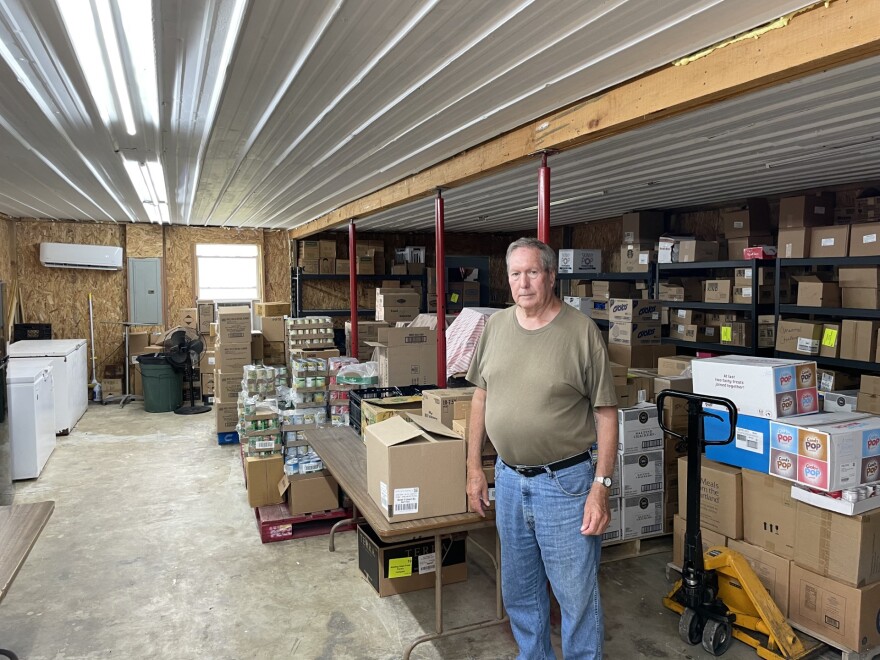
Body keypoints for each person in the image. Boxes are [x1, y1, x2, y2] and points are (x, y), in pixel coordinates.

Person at [466, 237, 618, 659]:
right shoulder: (495, 327)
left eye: (533, 272)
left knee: (576, 598)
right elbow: (480, 397)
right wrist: (475, 469)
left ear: (551, 276)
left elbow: (607, 413)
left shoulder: (580, 332)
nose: (524, 282)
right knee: (520, 593)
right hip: (510, 480)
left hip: (566, 485)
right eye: (516, 274)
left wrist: (600, 487)